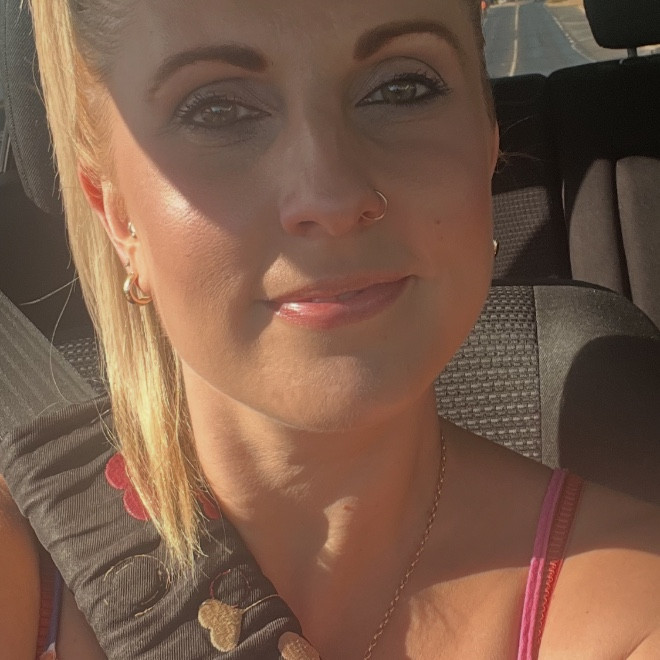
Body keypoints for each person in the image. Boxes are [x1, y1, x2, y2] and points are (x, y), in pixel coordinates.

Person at [1, 0, 660, 657]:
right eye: (217, 109)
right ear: (117, 214)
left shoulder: (635, 615)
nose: (333, 197)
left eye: (402, 88)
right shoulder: (23, 562)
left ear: (487, 145)